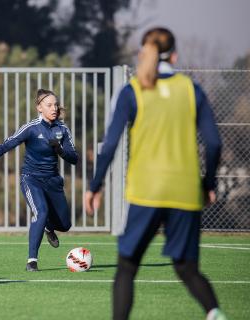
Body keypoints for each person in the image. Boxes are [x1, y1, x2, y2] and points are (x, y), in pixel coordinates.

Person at [85, 27, 226, 320]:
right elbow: (213, 142)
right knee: (186, 268)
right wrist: (208, 183)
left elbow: (109, 144)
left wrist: (95, 185)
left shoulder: (132, 90)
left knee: (127, 267)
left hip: (146, 191)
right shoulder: (191, 89)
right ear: (174, 55)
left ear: (143, 53)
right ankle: (215, 313)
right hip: (185, 192)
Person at [0, 89, 78, 271]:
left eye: (55, 105)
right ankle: (32, 261)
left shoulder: (63, 129)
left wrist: (60, 150)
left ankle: (48, 227)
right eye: (49, 105)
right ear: (39, 108)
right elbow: (7, 144)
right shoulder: (31, 128)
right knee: (41, 212)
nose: (54, 108)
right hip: (31, 179)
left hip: (53, 181)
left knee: (65, 225)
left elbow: (74, 158)